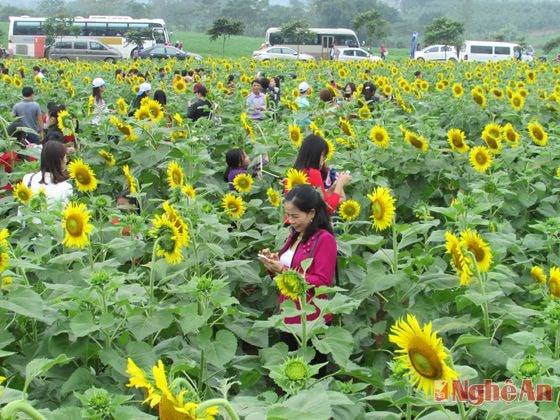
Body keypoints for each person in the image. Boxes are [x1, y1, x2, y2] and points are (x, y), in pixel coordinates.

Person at [259, 184, 337, 325]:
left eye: (295, 216)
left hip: (311, 319)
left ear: (312, 213)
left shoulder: (324, 239)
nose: (290, 221)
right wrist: (274, 265)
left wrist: (284, 270)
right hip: (289, 316)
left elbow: (323, 283)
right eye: (288, 215)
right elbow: (286, 278)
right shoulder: (295, 234)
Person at [290, 134, 351, 214]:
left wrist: (331, 189)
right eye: (323, 156)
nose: (324, 160)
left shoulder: (293, 173)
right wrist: (340, 183)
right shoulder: (313, 174)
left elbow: (317, 200)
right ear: (318, 155)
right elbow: (328, 207)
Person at [22, 140, 72, 205]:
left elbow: (22, 209)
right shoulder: (66, 188)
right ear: (60, 160)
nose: (66, 161)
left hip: (30, 215)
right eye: (65, 157)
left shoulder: (28, 179)